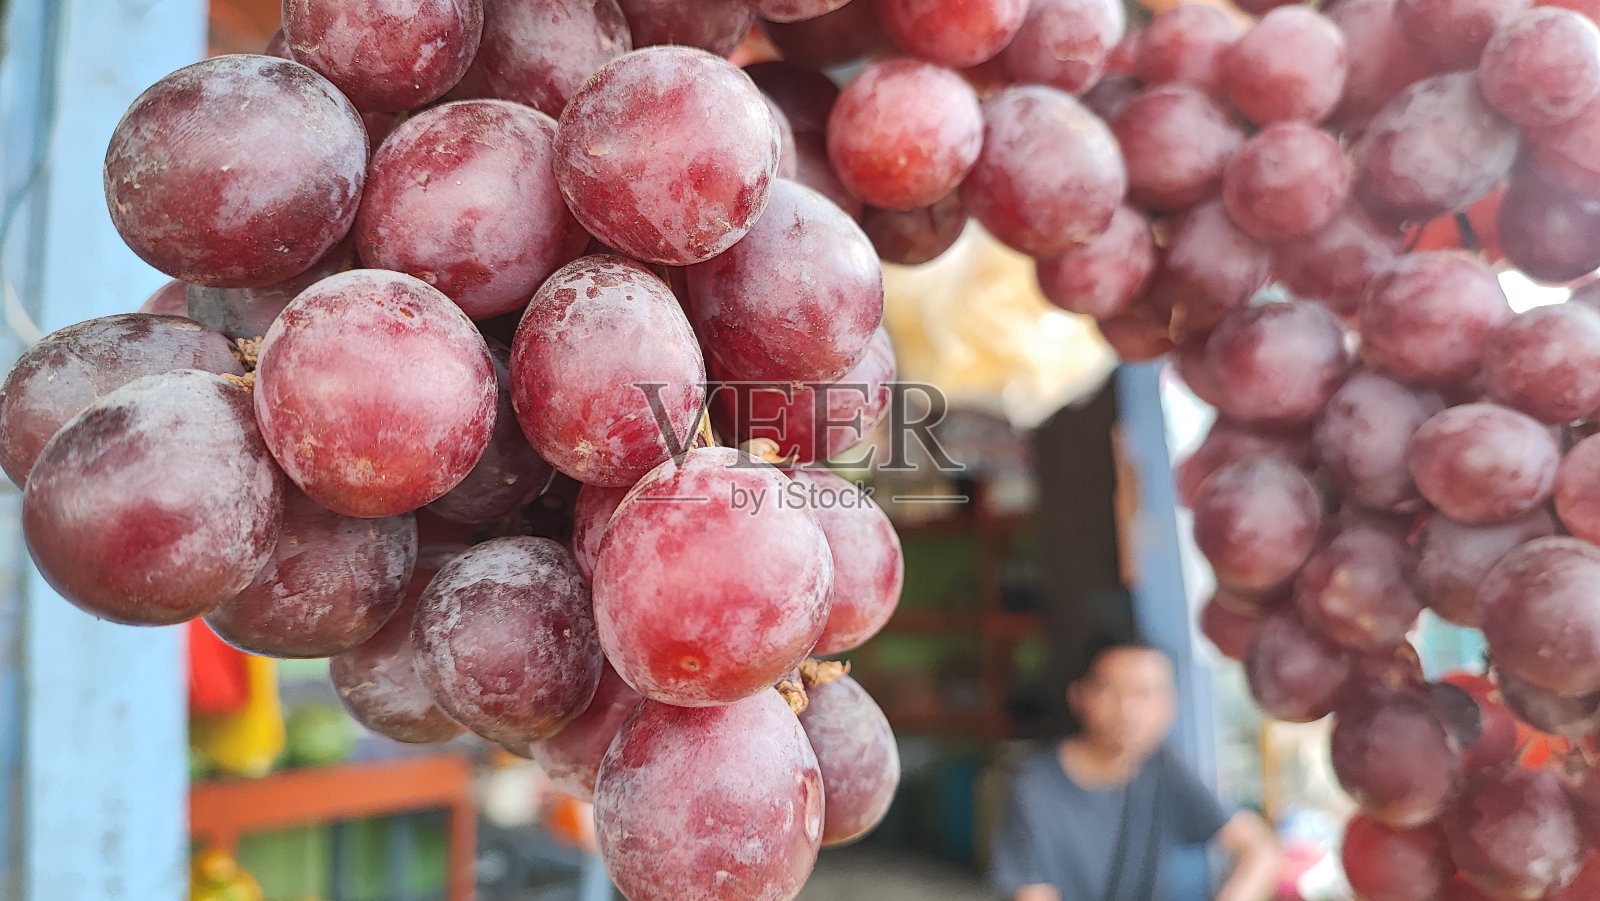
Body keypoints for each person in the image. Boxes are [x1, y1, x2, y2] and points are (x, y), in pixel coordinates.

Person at [989, 636, 1282, 901]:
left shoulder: (1163, 765)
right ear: (1080, 697)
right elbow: (1033, 893)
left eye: (1144, 694)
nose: (1128, 711)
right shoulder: (1037, 787)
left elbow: (1258, 849)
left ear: (1170, 706)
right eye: (1111, 691)